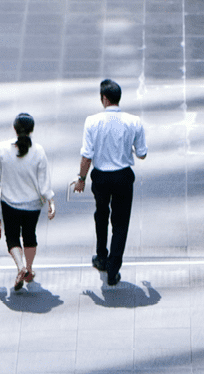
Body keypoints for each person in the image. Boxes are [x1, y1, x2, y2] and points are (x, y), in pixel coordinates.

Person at [71, 79, 147, 287]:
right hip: (123, 177)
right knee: (120, 224)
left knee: (101, 216)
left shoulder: (92, 122)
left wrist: (81, 179)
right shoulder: (134, 121)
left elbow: (87, 156)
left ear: (104, 98)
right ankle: (113, 269)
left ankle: (101, 256)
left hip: (101, 178)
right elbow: (142, 154)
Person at [0, 113, 59, 290]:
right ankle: (29, 269)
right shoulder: (38, 151)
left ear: (14, 128)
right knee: (30, 235)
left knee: (12, 237)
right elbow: (44, 183)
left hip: (9, 203)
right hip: (32, 205)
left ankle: (20, 267)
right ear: (32, 130)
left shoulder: (2, 148)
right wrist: (51, 202)